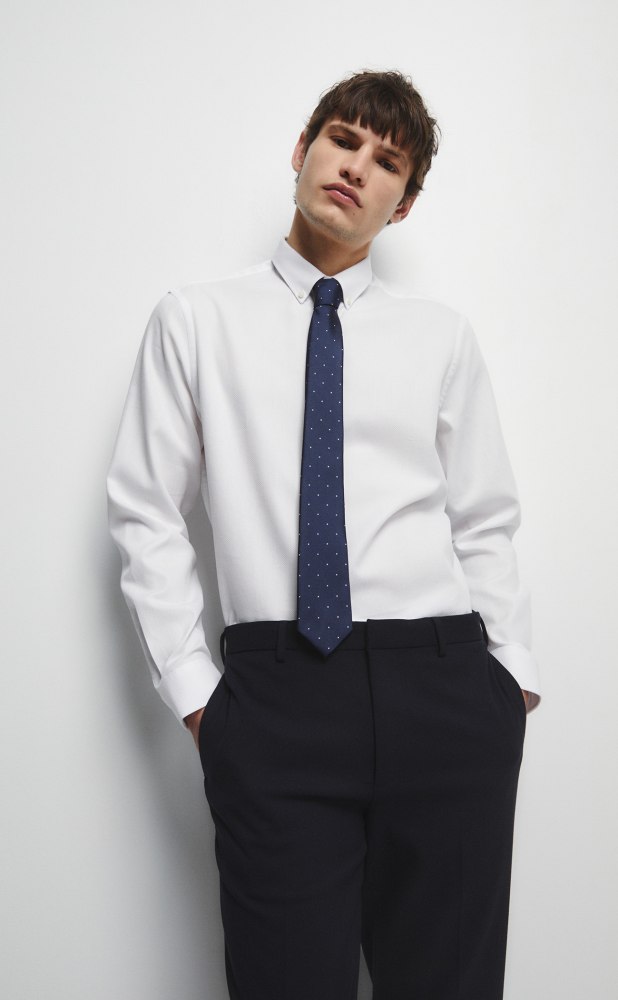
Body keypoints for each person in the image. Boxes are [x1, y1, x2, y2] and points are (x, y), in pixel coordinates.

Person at [106, 69, 541, 1000]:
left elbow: (484, 515)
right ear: (303, 149)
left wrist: (510, 678)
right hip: (278, 695)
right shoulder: (196, 320)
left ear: (404, 203)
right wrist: (200, 699)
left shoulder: (440, 336)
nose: (356, 168)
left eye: (387, 162)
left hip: (444, 687)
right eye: (343, 140)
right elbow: (147, 512)